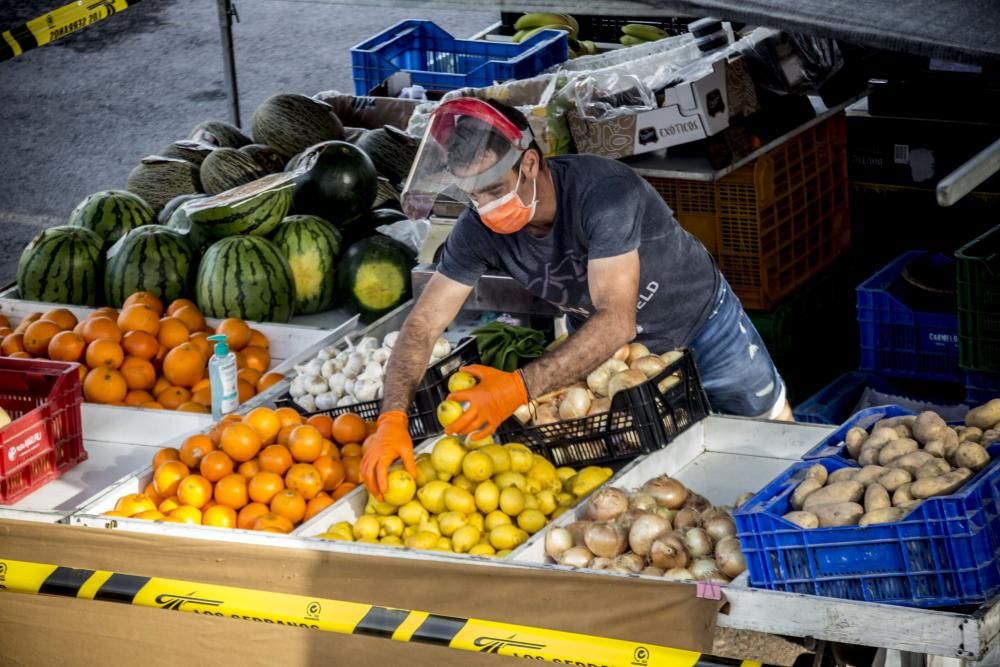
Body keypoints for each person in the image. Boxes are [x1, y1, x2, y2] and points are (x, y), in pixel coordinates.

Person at [360, 97, 791, 498]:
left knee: (772, 442)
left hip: (702, 326)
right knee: (661, 474)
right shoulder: (478, 230)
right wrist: (392, 417)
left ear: (529, 163)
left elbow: (617, 320)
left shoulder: (604, 193)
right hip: (612, 361)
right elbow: (422, 324)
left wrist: (517, 389)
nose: (485, 207)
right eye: (472, 195)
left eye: (493, 190)